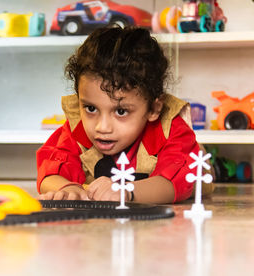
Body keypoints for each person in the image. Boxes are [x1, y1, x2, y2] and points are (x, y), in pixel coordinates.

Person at [36, 26, 213, 204]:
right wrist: (67, 188)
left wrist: (125, 192)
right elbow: (49, 172)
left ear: (153, 109)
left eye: (121, 111)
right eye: (91, 108)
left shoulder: (171, 130)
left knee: (197, 169)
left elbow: (172, 183)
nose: (102, 127)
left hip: (192, 165)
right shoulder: (77, 130)